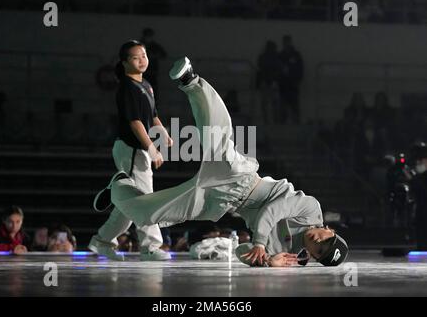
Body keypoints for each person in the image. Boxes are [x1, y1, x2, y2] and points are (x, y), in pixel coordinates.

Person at [105, 57, 348, 267]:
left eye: (320, 251)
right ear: (330, 230)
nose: (318, 242)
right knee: (218, 138)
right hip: (241, 179)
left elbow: (242, 251)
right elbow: (271, 210)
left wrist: (263, 260)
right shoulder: (311, 209)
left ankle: (119, 185)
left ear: (314, 258)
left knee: (149, 214)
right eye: (326, 240)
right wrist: (262, 245)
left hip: (219, 203)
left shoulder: (290, 255)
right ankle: (191, 81)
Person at [88, 40, 173, 261]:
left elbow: (152, 115)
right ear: (125, 63)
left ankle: (102, 241)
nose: (142, 60)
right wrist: (151, 148)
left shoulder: (146, 85)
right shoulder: (126, 88)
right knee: (145, 198)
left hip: (136, 150)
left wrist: (162, 132)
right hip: (131, 150)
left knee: (129, 203)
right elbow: (135, 123)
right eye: (135, 57)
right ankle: (150, 247)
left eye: (144, 55)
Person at [278, 35, 303, 124]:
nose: (286, 44)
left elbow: (300, 69)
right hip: (283, 86)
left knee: (294, 108)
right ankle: (281, 125)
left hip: (293, 85)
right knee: (282, 109)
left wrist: (297, 80)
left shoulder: (296, 55)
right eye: (285, 42)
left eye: (287, 42)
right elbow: (277, 70)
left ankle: (296, 125)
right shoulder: (280, 56)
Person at [140, 28, 167, 100]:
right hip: (141, 72)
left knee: (153, 90)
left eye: (150, 35)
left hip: (152, 72)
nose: (148, 37)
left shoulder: (154, 46)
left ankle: (153, 106)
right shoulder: (139, 45)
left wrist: (155, 55)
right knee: (140, 90)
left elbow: (164, 54)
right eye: (147, 35)